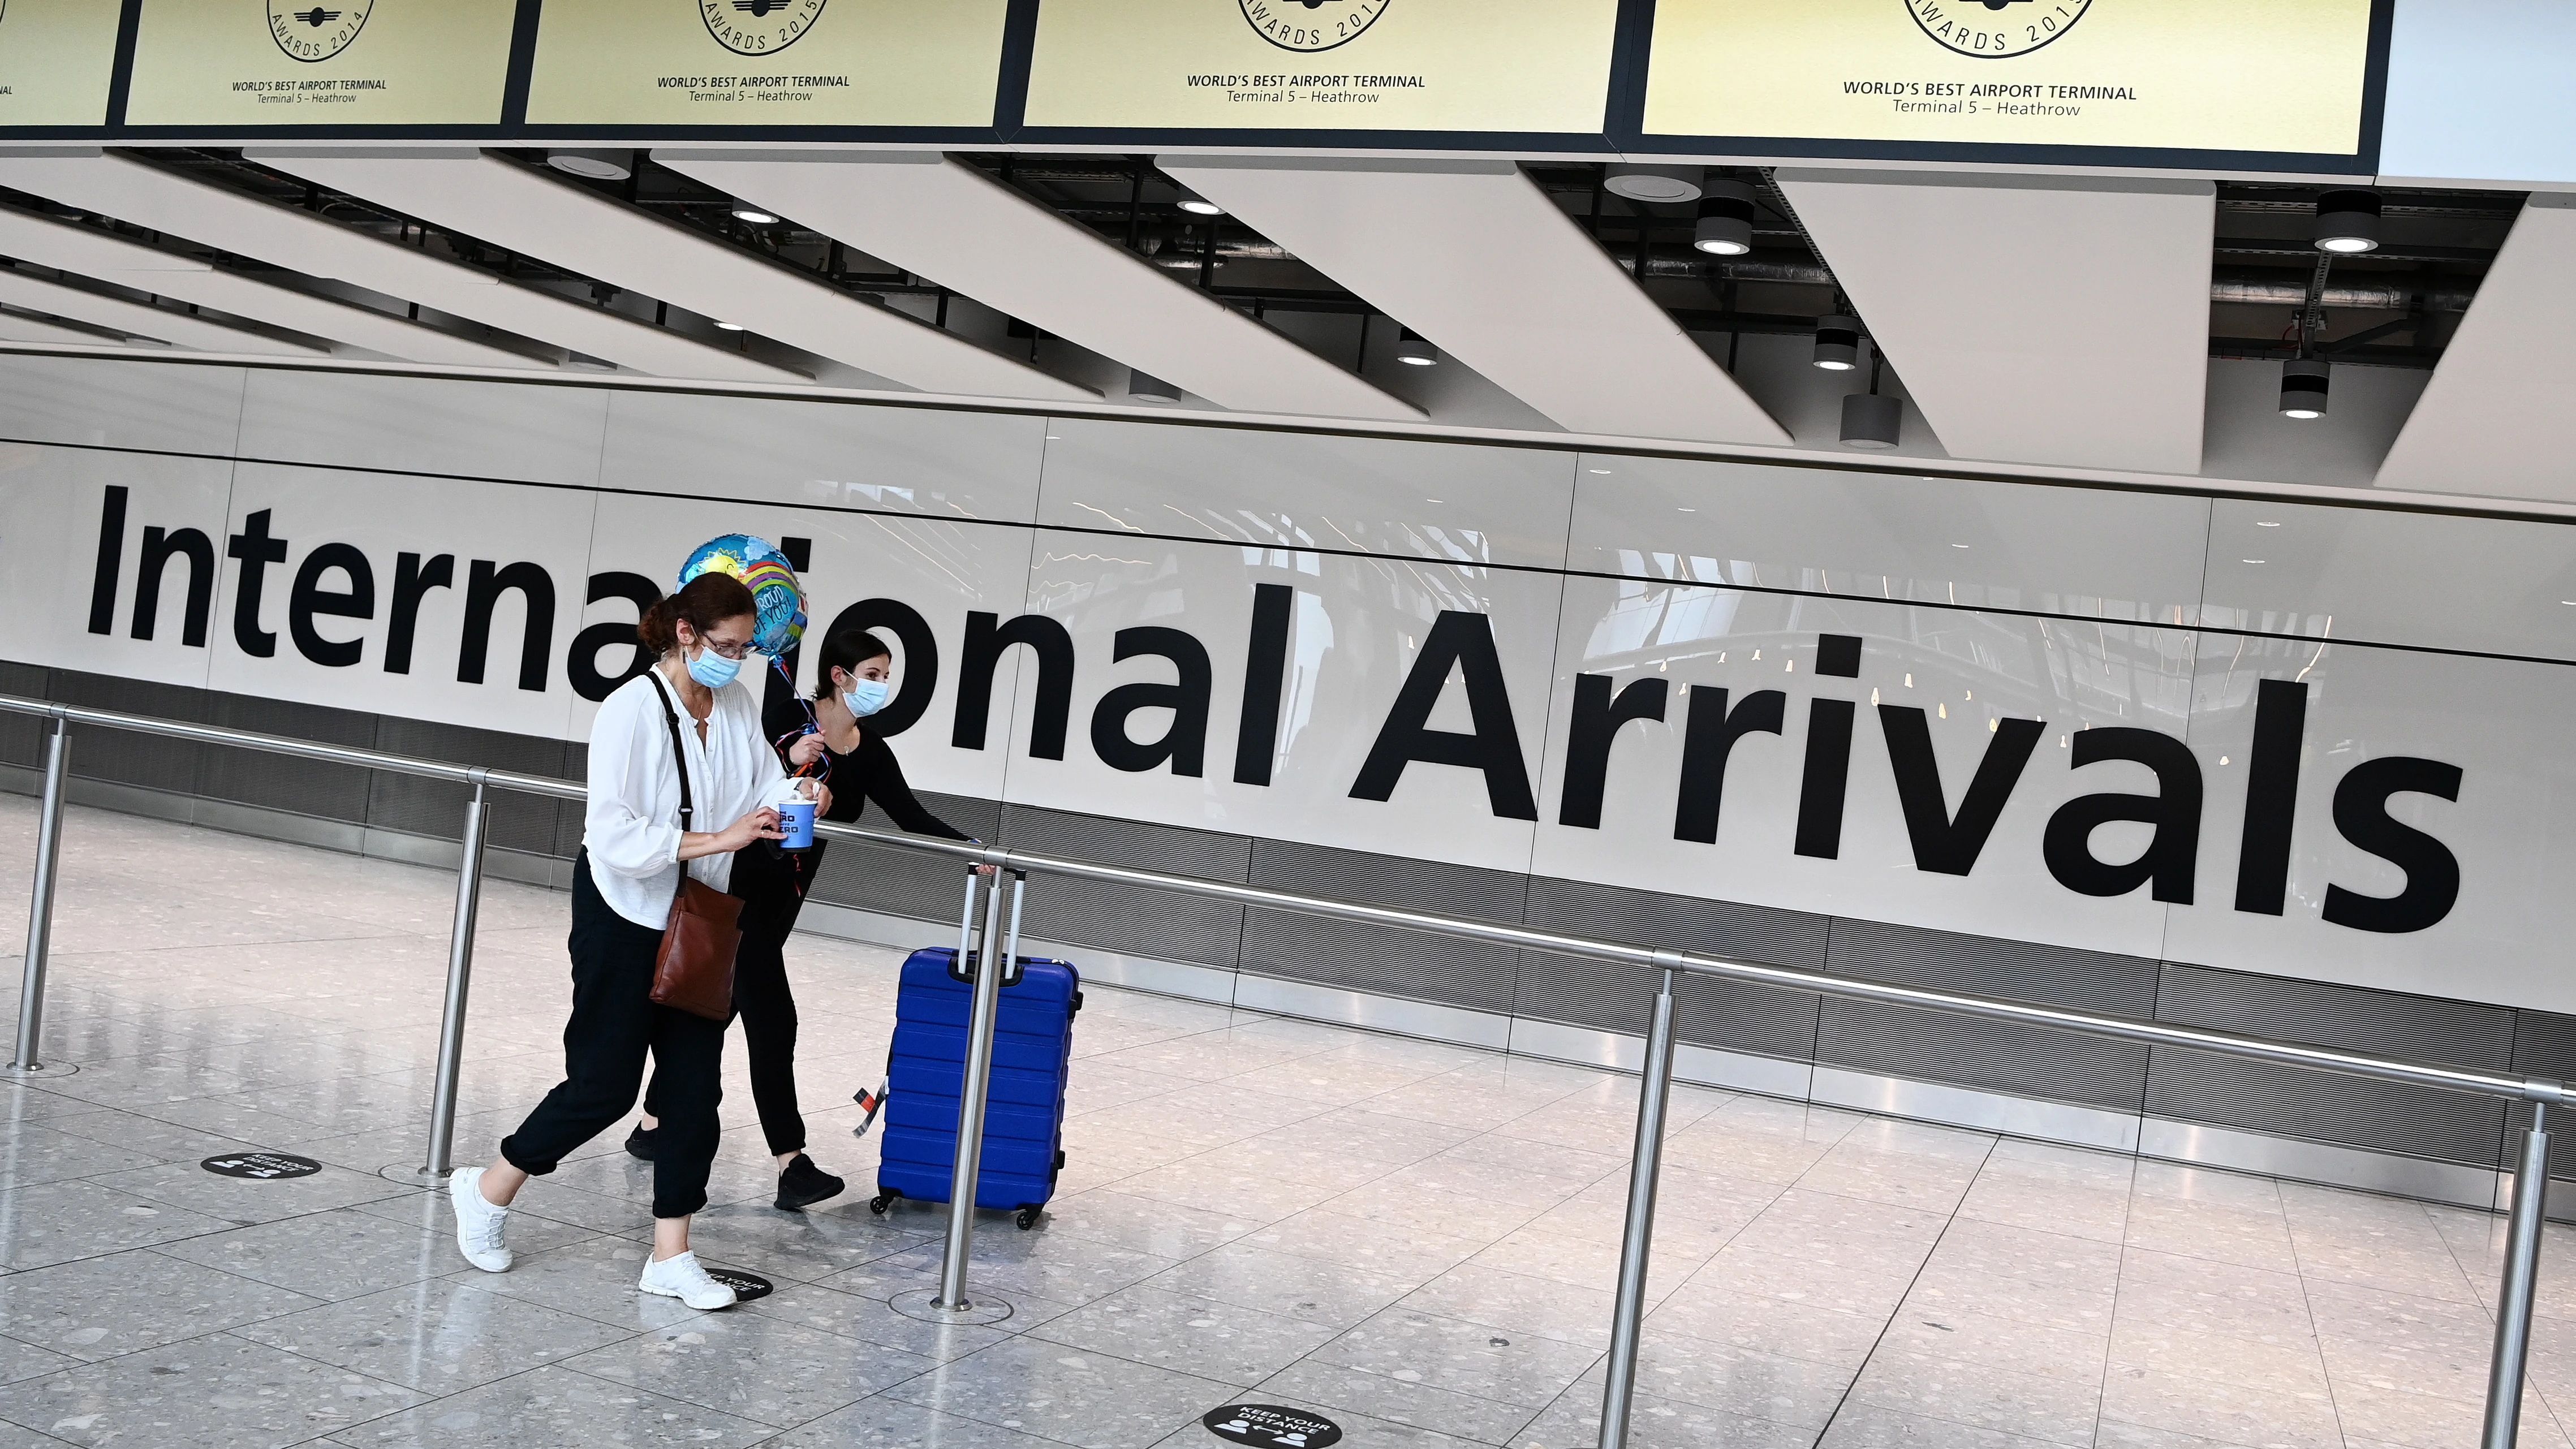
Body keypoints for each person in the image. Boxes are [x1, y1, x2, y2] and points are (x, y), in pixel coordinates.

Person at [447, 571, 824, 1310]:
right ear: (685, 633)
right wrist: (721, 836)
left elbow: (757, 790)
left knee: (693, 1093)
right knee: (606, 1086)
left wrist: (796, 795)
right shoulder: (629, 712)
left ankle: (671, 1254)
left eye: (747, 648)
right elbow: (614, 837)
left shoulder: (739, 704)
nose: (737, 660)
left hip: (703, 916)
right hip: (621, 914)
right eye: (726, 645)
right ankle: (489, 1187)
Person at [626, 624, 980, 1211]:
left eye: (886, 676)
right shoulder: (784, 719)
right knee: (775, 1025)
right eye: (873, 675)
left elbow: (909, 814)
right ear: (839, 677)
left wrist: (974, 848)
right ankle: (792, 1164)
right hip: (738, 891)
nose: (882, 686)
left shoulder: (868, 750)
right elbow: (730, 781)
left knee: (715, 1015)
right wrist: (785, 759)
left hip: (781, 904)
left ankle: (652, 1124)